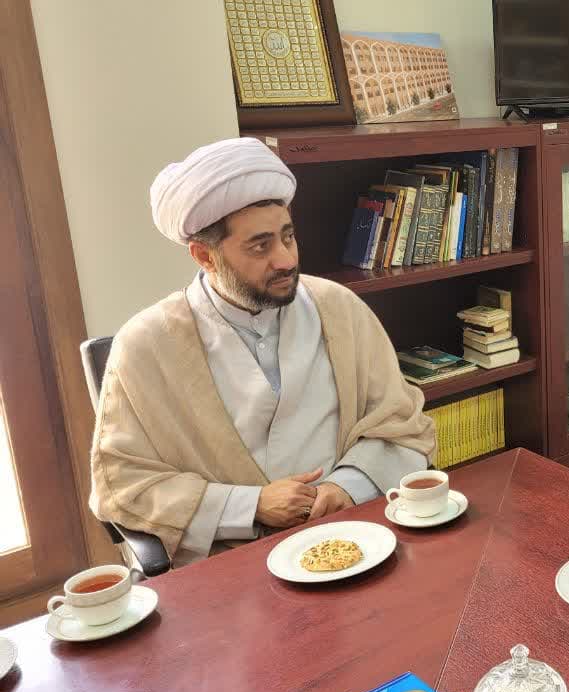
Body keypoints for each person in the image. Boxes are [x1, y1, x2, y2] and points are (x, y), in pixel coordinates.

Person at [89, 138, 435, 567]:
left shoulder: (338, 307)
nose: (286, 260)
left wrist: (347, 485)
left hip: (356, 531)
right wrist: (249, 506)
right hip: (232, 561)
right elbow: (122, 486)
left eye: (288, 237)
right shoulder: (146, 344)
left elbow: (402, 423)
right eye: (260, 246)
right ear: (204, 256)